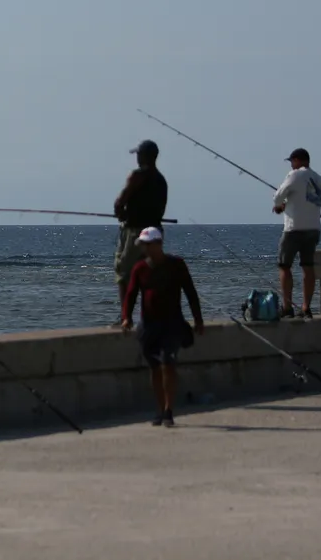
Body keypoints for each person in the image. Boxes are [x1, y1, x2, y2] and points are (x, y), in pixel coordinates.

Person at [121, 226, 205, 427]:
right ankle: (159, 410)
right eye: (143, 245)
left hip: (172, 323)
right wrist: (126, 317)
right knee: (155, 368)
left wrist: (198, 319)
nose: (145, 249)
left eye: (148, 245)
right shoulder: (139, 268)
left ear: (158, 244)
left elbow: (190, 293)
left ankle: (169, 410)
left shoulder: (177, 265)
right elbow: (131, 295)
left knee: (168, 363)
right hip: (149, 325)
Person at [113, 140, 169, 309]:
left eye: (138, 154)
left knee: (124, 273)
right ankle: (151, 313)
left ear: (144, 156)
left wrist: (121, 214)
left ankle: (125, 316)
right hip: (155, 232)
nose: (137, 157)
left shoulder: (137, 175)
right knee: (150, 274)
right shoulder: (161, 180)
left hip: (136, 232)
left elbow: (119, 204)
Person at [272, 147, 321, 319]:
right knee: (307, 268)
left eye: (291, 162)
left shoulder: (295, 175)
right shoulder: (319, 180)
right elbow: (304, 200)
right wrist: (287, 204)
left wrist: (280, 205)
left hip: (293, 229)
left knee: (284, 267)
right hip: (313, 229)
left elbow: (278, 197)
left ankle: (287, 307)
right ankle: (306, 307)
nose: (291, 166)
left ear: (297, 160)